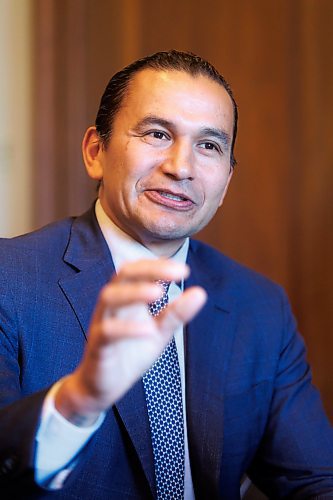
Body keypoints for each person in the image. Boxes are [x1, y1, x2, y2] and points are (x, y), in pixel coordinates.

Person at [0, 50, 332, 499]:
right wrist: (78, 401)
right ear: (96, 152)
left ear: (226, 182)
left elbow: (314, 480)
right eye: (157, 133)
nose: (181, 167)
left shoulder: (259, 305)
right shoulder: (9, 278)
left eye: (209, 146)